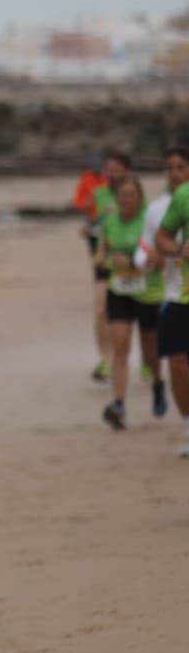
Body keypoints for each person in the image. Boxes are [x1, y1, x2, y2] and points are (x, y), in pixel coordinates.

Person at [98, 178, 163, 429]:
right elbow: (102, 256)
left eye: (132, 194)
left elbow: (160, 260)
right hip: (120, 292)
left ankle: (158, 382)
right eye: (123, 195)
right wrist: (109, 260)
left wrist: (140, 263)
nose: (127, 199)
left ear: (140, 197)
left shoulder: (150, 221)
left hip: (148, 294)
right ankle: (119, 404)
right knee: (120, 348)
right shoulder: (110, 222)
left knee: (150, 354)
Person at [137, 146, 189, 457]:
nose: (174, 173)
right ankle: (187, 426)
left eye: (180, 167)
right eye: (169, 168)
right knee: (178, 364)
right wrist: (173, 251)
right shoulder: (163, 207)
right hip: (176, 294)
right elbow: (154, 242)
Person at [81, 152, 135, 381]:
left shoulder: (135, 194)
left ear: (126, 170)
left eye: (115, 168)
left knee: (137, 315)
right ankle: (105, 360)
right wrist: (88, 230)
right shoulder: (99, 194)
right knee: (102, 309)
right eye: (107, 169)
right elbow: (93, 222)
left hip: (133, 263)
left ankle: (146, 361)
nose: (111, 173)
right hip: (105, 260)